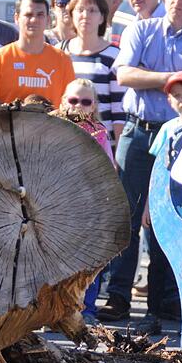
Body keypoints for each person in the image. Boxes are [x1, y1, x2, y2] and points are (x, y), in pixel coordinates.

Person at [96, 0, 182, 322]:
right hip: (138, 129)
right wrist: (167, 79)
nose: (179, 1)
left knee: (168, 217)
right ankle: (118, 295)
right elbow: (124, 74)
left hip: (178, 136)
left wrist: (150, 75)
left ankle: (166, 300)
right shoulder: (140, 29)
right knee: (126, 214)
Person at [133, 70, 182, 335]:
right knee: (159, 260)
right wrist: (150, 205)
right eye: (177, 96)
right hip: (169, 203)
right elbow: (157, 169)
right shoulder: (167, 129)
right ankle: (152, 314)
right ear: (170, 101)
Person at [53, 79, 114, 326]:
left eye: (86, 101)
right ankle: (54, 311)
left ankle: (86, 309)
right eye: (73, 100)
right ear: (63, 102)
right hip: (56, 205)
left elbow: (107, 168)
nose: (79, 106)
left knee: (88, 262)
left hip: (88, 205)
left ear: (94, 106)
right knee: (57, 262)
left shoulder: (99, 133)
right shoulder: (51, 128)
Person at [0, 0, 76, 105]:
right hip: (7, 122)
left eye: (40, 15)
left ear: (48, 19)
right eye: (28, 14)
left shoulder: (62, 60)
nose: (34, 19)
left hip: (50, 122)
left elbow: (70, 103)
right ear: (17, 18)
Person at [58, 0, 126, 144]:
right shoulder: (59, 51)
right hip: (64, 140)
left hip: (101, 142)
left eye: (92, 10)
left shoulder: (114, 55)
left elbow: (118, 110)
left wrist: (116, 152)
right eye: (80, 10)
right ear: (72, 15)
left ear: (102, 17)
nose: (85, 15)